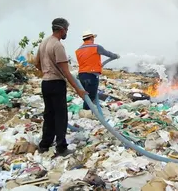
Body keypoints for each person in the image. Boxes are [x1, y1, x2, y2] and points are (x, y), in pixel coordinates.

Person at [34, 18, 87, 157]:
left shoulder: (44, 42)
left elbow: (36, 62)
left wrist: (46, 71)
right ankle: (61, 147)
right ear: (62, 29)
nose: (66, 33)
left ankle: (44, 145)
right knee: (60, 116)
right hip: (56, 84)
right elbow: (66, 72)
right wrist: (79, 90)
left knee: (49, 114)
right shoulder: (57, 46)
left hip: (45, 83)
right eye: (67, 30)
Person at [75, 30, 120, 110]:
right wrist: (116, 56)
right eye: (93, 37)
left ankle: (89, 111)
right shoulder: (96, 47)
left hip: (81, 75)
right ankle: (86, 114)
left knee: (86, 95)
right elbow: (108, 53)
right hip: (91, 75)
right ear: (91, 37)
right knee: (90, 97)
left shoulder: (78, 50)